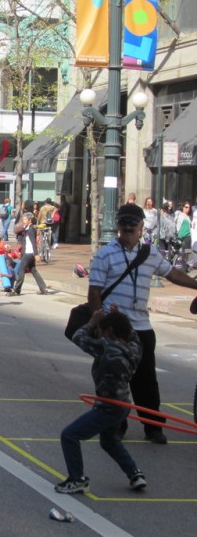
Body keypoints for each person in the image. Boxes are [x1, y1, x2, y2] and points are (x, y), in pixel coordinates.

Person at [88, 202, 197, 444]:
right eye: (123, 222)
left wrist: (195, 284)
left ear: (141, 226)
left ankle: (153, 427)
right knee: (113, 380)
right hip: (113, 329)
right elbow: (94, 291)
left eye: (132, 223)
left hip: (142, 327)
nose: (127, 227)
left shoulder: (150, 254)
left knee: (146, 380)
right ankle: (117, 425)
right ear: (117, 225)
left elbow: (172, 274)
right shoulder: (105, 255)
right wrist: (98, 323)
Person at [55, 309, 147, 495]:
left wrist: (92, 322)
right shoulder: (134, 348)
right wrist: (117, 316)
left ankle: (77, 479)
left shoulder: (107, 346)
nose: (99, 333)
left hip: (108, 406)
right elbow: (133, 334)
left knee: (69, 435)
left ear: (110, 331)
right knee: (109, 441)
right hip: (122, 404)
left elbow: (78, 337)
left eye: (102, 330)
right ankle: (135, 473)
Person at [13, 212, 49, 296]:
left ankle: (17, 290)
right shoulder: (27, 229)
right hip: (29, 253)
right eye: (23, 219)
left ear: (29, 220)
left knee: (21, 270)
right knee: (33, 270)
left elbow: (33, 243)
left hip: (29, 253)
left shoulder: (31, 229)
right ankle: (43, 288)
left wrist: (36, 254)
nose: (23, 221)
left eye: (25, 219)